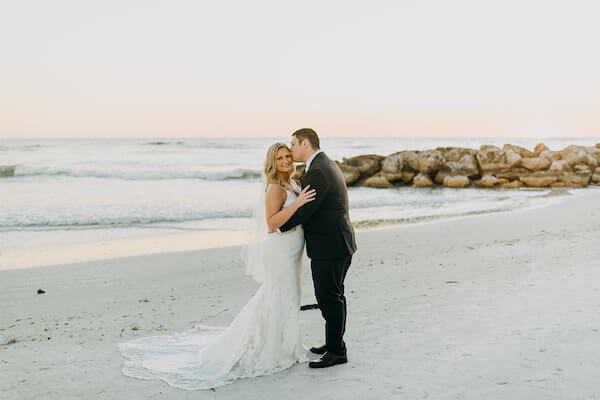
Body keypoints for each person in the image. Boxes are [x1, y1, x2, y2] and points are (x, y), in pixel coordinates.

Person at [117, 143, 316, 390]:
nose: (286, 160)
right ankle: (275, 350)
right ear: (272, 163)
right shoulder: (275, 187)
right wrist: (298, 204)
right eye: (280, 158)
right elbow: (271, 223)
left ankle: (287, 344)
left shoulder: (293, 183)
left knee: (288, 296)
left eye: (288, 156)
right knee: (278, 296)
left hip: (292, 251)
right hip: (280, 251)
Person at [279, 128, 357, 369]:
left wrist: (279, 225)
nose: (291, 150)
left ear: (305, 143)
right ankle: (334, 343)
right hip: (339, 243)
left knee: (329, 298)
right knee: (335, 296)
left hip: (330, 246)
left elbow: (307, 210)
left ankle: (336, 352)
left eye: (293, 144)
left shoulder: (318, 171)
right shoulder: (325, 164)